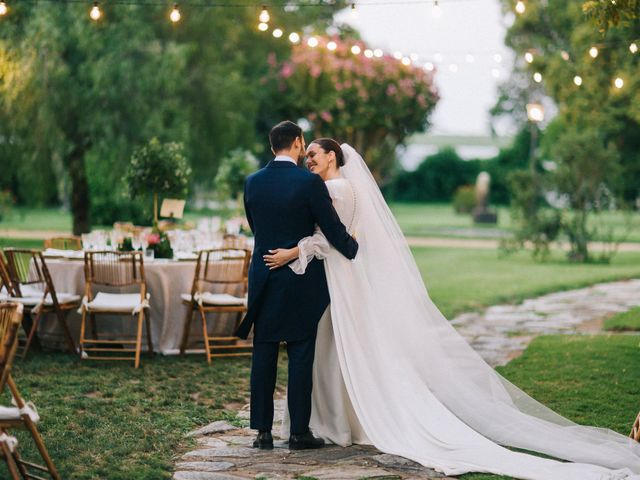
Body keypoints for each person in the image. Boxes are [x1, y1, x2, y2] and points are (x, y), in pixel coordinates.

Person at [263, 139, 640, 480]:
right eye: (306, 152)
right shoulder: (349, 188)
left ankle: (337, 421)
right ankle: (340, 420)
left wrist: (295, 251)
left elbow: (331, 239)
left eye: (314, 153)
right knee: (347, 348)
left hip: (340, 278)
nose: (308, 159)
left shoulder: (333, 188)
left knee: (338, 348)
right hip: (347, 279)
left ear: (332, 156)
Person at [236, 122, 359, 451]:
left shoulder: (252, 183)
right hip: (300, 280)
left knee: (263, 352)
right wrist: (352, 248)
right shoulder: (309, 183)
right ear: (298, 142)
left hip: (263, 275)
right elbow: (331, 227)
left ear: (271, 144)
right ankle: (298, 432)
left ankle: (262, 432)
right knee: (301, 354)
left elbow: (257, 227)